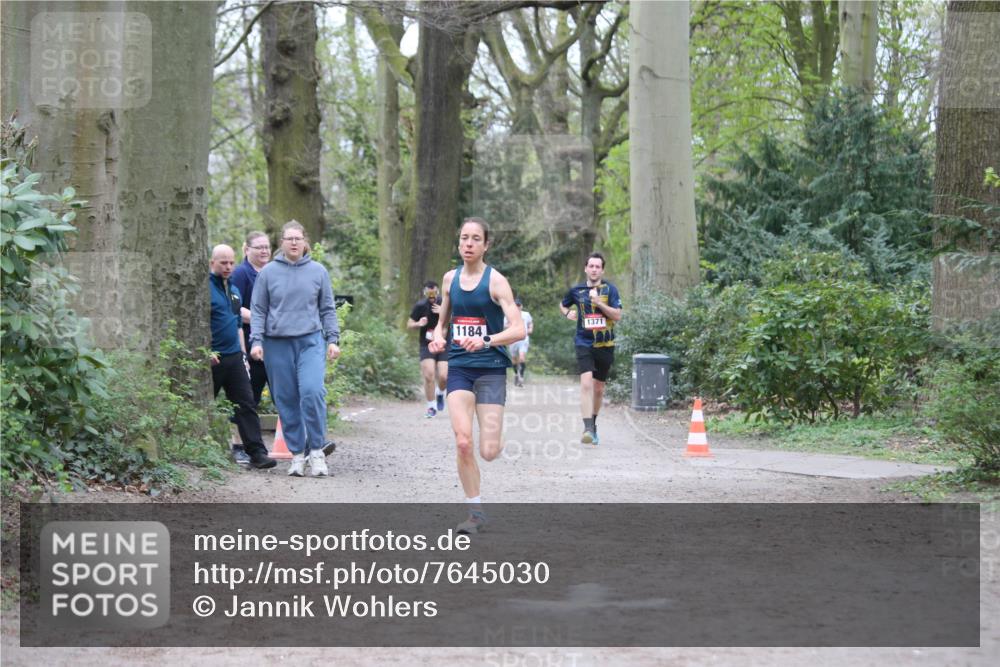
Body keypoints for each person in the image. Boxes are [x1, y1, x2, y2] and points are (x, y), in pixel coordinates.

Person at [429, 218, 525, 534]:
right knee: (463, 442)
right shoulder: (449, 279)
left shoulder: (497, 282)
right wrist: (438, 336)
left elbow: (518, 328)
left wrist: (486, 340)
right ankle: (475, 513)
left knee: (488, 451)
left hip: (491, 369)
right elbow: (442, 320)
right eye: (464, 239)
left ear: (486, 245)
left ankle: (496, 437)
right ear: (459, 244)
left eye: (475, 239)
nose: (468, 244)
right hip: (459, 366)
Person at [249, 221, 341, 478]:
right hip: (276, 343)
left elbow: (327, 308)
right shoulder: (268, 273)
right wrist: (256, 341)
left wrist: (333, 339)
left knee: (312, 392)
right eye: (288, 238)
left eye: (297, 238)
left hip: (310, 340)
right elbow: (258, 310)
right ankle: (297, 455)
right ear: (282, 243)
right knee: (286, 400)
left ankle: (317, 451)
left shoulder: (318, 271)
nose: (293, 243)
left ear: (304, 242)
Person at [208, 244, 276, 470]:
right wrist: (205, 351)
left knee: (246, 403)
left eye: (230, 262)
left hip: (235, 357)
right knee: (206, 404)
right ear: (212, 263)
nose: (227, 267)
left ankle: (257, 452)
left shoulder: (234, 290)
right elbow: (199, 323)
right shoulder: (205, 289)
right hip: (212, 358)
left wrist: (243, 354)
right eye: (222, 263)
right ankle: (202, 448)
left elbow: (238, 325)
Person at [560, 252, 623, 446]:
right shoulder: (576, 290)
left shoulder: (611, 290)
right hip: (583, 342)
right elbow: (562, 305)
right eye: (591, 266)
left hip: (605, 344)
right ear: (586, 269)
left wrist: (598, 303)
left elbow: (617, 315)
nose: (594, 269)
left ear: (602, 270)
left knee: (598, 388)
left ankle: (593, 424)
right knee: (586, 384)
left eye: (598, 267)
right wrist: (567, 313)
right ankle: (587, 428)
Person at [407, 281, 448, 418]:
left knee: (444, 376)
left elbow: (456, 320)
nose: (432, 296)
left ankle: (440, 393)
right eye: (429, 294)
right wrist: (418, 323)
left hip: (444, 343)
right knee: (429, 374)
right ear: (425, 293)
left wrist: (443, 311)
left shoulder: (445, 302)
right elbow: (409, 324)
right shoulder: (420, 306)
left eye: (434, 293)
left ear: (438, 292)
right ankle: (431, 406)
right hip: (426, 343)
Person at [506, 298, 533, 387]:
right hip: (513, 339)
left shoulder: (526, 314)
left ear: (521, 306)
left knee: (521, 357)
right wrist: (510, 326)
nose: (517, 307)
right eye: (516, 305)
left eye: (519, 305)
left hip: (523, 338)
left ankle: (521, 377)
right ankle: (516, 374)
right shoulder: (509, 314)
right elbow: (505, 325)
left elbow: (530, 323)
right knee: (514, 359)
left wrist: (530, 329)